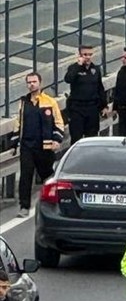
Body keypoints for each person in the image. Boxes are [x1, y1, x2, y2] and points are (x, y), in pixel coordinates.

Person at [14, 72, 64, 218]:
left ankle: (56, 203)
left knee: (48, 176)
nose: (31, 85)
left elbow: (59, 122)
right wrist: (14, 142)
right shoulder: (23, 102)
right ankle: (24, 207)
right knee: (25, 176)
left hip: (45, 146)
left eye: (34, 82)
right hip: (27, 145)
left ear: (40, 83)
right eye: (29, 82)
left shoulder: (49, 101)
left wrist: (57, 139)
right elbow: (19, 122)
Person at [64, 44, 108, 143]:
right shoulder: (73, 68)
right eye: (85, 54)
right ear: (79, 55)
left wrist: (104, 106)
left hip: (92, 108)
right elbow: (68, 79)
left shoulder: (95, 69)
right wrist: (79, 65)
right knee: (76, 138)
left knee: (92, 139)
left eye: (90, 54)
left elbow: (100, 88)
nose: (88, 57)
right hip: (77, 108)